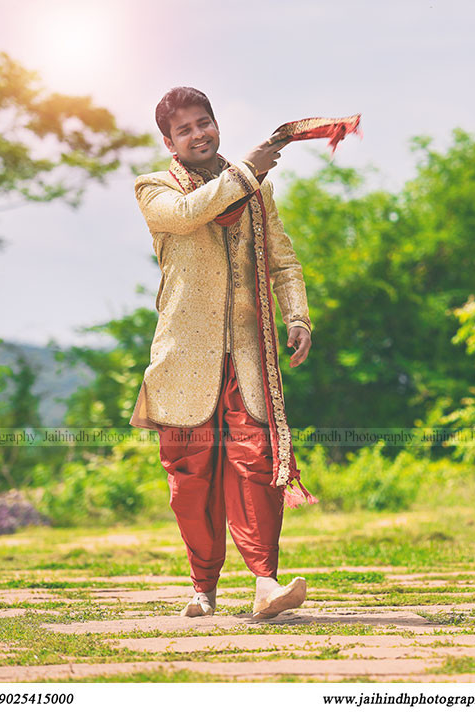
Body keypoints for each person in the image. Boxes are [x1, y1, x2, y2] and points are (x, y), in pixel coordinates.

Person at [129, 87, 314, 620]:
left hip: (249, 353)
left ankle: (265, 583)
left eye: (203, 122)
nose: (198, 133)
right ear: (170, 141)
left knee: (257, 463)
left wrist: (297, 315)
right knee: (191, 478)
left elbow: (283, 260)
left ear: (216, 123)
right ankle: (203, 588)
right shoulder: (153, 188)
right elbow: (190, 213)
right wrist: (246, 172)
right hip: (185, 357)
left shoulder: (257, 189)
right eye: (184, 129)